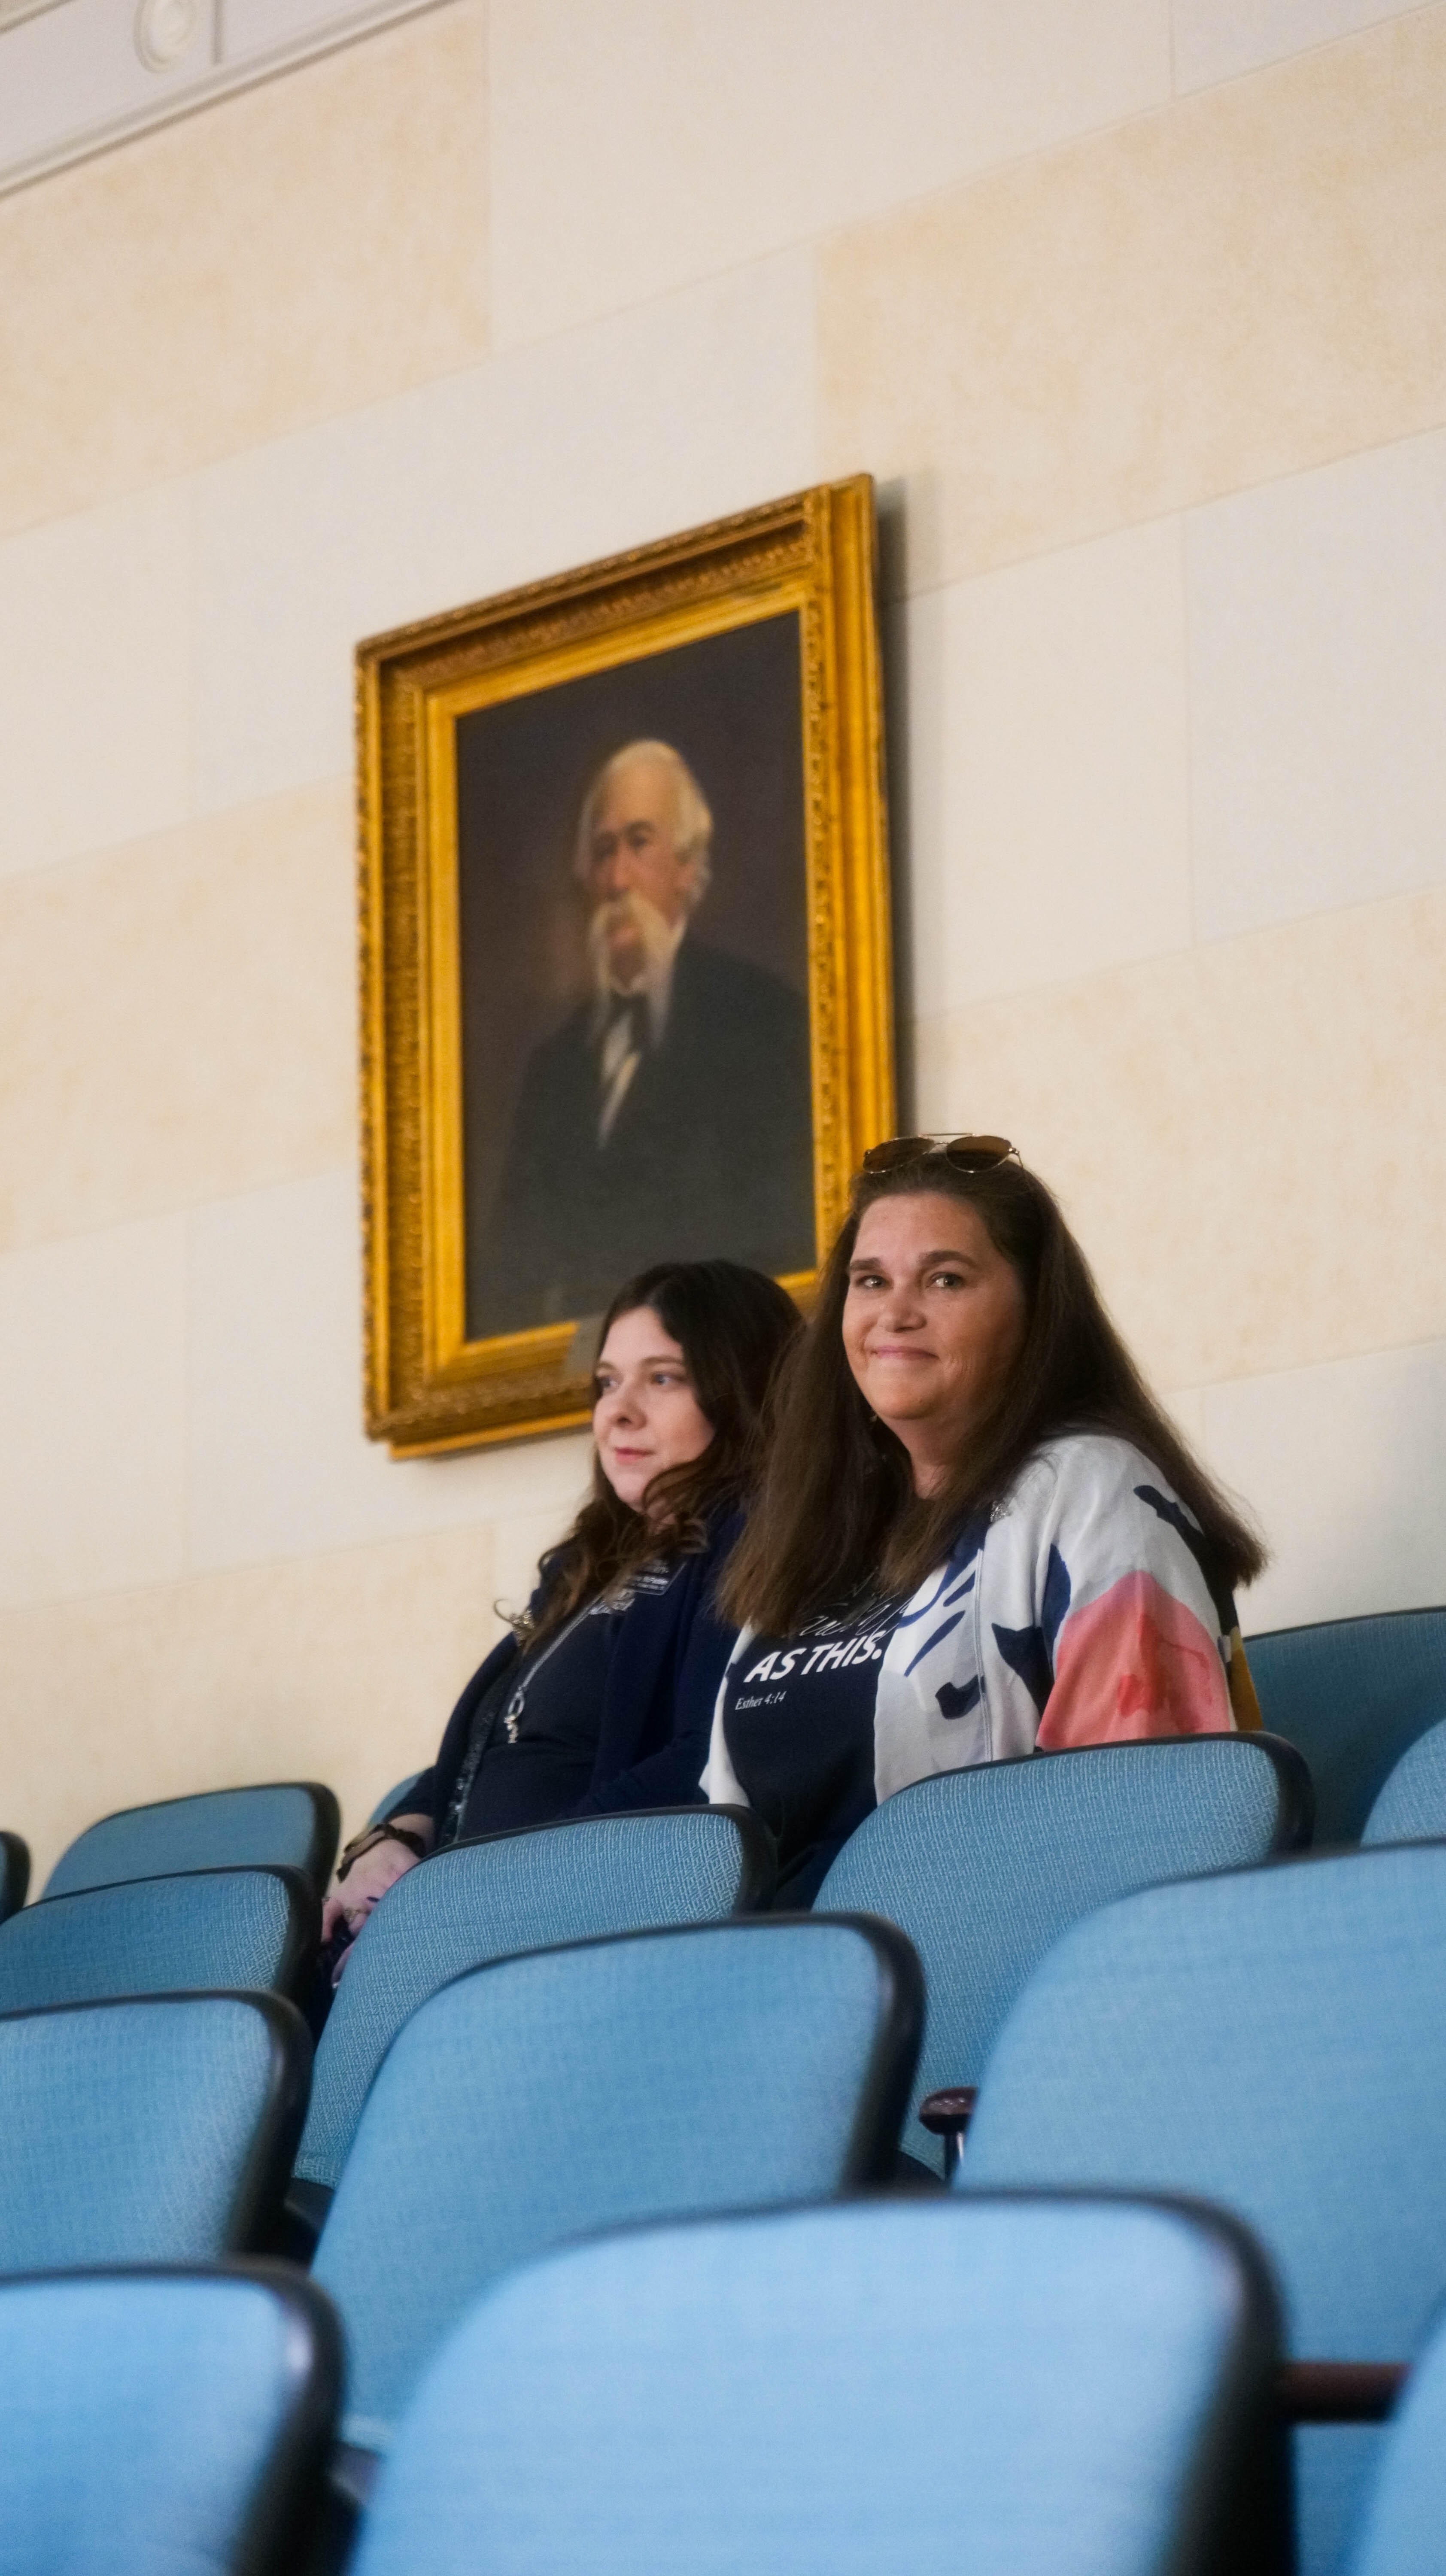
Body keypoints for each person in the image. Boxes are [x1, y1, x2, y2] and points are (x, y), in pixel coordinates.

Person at [704, 1136, 1267, 1907]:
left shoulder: (1092, 1491)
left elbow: (1143, 1834)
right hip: (788, 1993)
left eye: (945, 1279)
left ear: (1035, 1315)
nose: (895, 1313)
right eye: (871, 1281)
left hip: (995, 1982)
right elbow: (725, 1838)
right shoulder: (821, 1531)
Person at [322, 1258, 800, 1968]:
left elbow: (708, 1754)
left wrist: (481, 1891)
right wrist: (391, 1838)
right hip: (461, 1923)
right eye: (608, 1383)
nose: (618, 1411)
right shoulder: (588, 1563)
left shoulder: (756, 1539)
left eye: (662, 1378)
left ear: (741, 1390)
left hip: (571, 1938)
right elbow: (493, 1749)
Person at [469, 740, 814, 1335]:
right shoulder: (553, 1068)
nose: (616, 880)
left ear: (686, 867)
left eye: (638, 842)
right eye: (603, 852)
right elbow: (511, 1280)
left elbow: (782, 1240)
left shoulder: (761, 1022)